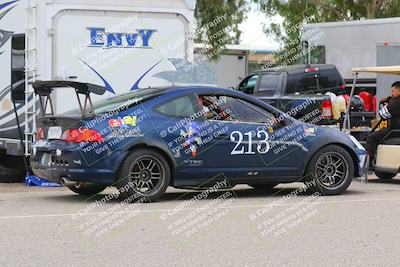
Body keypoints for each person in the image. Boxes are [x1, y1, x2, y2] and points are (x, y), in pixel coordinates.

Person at [366, 81, 400, 158]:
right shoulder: (394, 100)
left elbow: (383, 114)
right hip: (396, 128)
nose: (391, 93)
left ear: (399, 91)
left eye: (393, 91)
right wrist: (389, 99)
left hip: (395, 129)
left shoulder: (395, 102)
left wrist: (387, 103)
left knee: (371, 137)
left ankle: (369, 161)